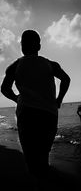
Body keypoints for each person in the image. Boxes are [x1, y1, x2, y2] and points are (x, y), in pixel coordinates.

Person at [1, 29, 70, 181]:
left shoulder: (15, 66)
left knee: (31, 158)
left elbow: (4, 89)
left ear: (22, 47)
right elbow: (66, 79)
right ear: (38, 46)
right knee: (43, 154)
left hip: (27, 115)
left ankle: (38, 187)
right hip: (49, 115)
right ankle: (44, 184)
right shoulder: (50, 64)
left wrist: (16, 98)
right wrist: (59, 100)